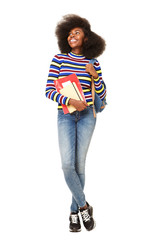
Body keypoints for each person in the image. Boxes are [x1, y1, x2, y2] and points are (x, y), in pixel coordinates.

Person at [45, 14, 106, 232]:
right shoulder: (59, 59)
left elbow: (102, 94)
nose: (72, 36)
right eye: (69, 34)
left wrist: (95, 75)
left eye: (76, 33)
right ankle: (83, 206)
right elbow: (49, 90)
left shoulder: (93, 63)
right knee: (66, 165)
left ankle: (73, 213)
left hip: (88, 115)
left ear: (86, 38)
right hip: (66, 115)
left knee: (79, 165)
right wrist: (70, 100)